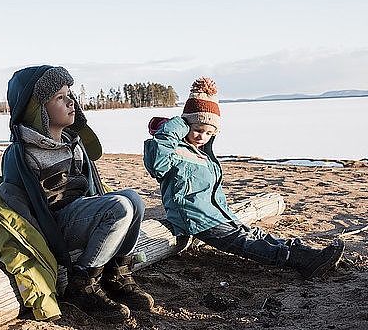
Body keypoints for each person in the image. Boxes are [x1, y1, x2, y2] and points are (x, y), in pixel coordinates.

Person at [0, 65, 153, 323]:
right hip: (56, 224)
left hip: (81, 212)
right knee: (119, 207)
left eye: (69, 93)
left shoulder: (73, 142)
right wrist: (57, 262)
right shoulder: (23, 154)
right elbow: (22, 212)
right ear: (37, 110)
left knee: (134, 200)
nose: (71, 101)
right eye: (59, 97)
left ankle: (117, 273)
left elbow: (93, 187)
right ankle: (82, 283)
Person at [143, 77, 344, 279]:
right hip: (195, 218)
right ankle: (303, 262)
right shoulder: (173, 149)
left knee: (255, 234)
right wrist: (175, 126)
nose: (202, 137)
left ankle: (310, 254)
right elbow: (157, 166)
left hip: (217, 213)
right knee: (245, 242)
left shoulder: (202, 152)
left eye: (209, 133)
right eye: (197, 130)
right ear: (185, 126)